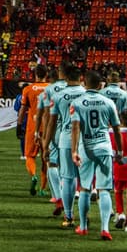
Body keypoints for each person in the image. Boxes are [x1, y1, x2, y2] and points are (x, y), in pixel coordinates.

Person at [70, 70, 121, 239]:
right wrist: (119, 150)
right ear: (101, 85)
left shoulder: (77, 103)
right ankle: (105, 228)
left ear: (84, 84)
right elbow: (116, 128)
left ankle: (83, 226)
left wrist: (74, 150)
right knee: (104, 189)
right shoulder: (108, 102)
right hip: (104, 147)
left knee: (85, 188)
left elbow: (76, 127)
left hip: (86, 148)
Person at [43, 63, 87, 226]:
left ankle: (69, 216)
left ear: (66, 78)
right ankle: (84, 216)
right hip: (85, 141)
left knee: (68, 179)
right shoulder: (86, 94)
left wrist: (46, 144)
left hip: (66, 139)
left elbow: (51, 123)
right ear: (81, 78)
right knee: (85, 181)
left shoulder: (58, 96)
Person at [18, 65, 49, 195]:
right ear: (46, 74)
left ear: (35, 74)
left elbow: (23, 109)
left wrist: (19, 124)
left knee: (29, 156)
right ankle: (42, 189)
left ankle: (33, 175)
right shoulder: (51, 88)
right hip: (48, 127)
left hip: (32, 127)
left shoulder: (27, 89)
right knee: (45, 159)